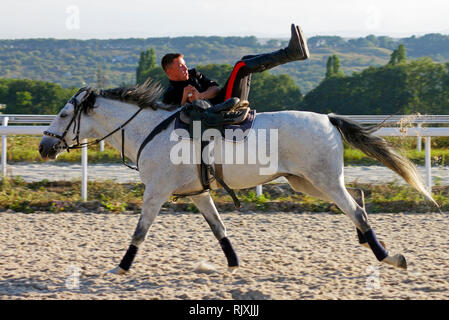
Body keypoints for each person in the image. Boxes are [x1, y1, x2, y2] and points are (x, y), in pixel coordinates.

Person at [161, 23, 309, 107]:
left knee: (245, 61)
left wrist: (200, 95)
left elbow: (216, 89)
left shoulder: (194, 74)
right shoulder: (170, 93)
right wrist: (184, 99)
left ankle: (293, 53)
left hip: (225, 99)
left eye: (184, 65)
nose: (185, 68)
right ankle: (290, 53)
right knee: (240, 66)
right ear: (170, 72)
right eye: (180, 66)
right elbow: (175, 116)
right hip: (220, 108)